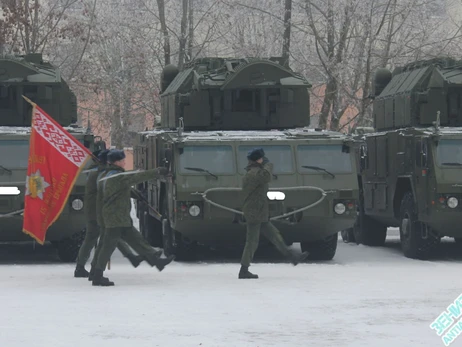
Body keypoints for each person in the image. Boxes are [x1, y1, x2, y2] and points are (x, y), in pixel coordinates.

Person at [92, 149, 175, 286]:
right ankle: (97, 275)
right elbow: (138, 177)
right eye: (123, 160)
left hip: (117, 217)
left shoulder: (107, 175)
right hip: (115, 218)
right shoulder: (116, 176)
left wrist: (133, 193)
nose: (125, 162)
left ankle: (156, 261)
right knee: (108, 246)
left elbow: (116, 191)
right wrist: (158, 171)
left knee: (136, 239)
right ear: (117, 162)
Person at [239, 148, 309, 279]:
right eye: (262, 158)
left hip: (259, 211)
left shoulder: (254, 171)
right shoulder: (254, 173)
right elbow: (266, 177)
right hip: (255, 212)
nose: (263, 160)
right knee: (252, 242)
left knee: (274, 235)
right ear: (258, 159)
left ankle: (292, 257)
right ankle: (244, 269)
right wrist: (268, 164)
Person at [83, 149, 149, 281]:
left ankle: (95, 270)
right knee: (104, 239)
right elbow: (118, 182)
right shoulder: (100, 173)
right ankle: (91, 270)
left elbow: (121, 186)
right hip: (100, 211)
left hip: (100, 210)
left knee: (106, 239)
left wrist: (136, 195)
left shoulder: (100, 172)